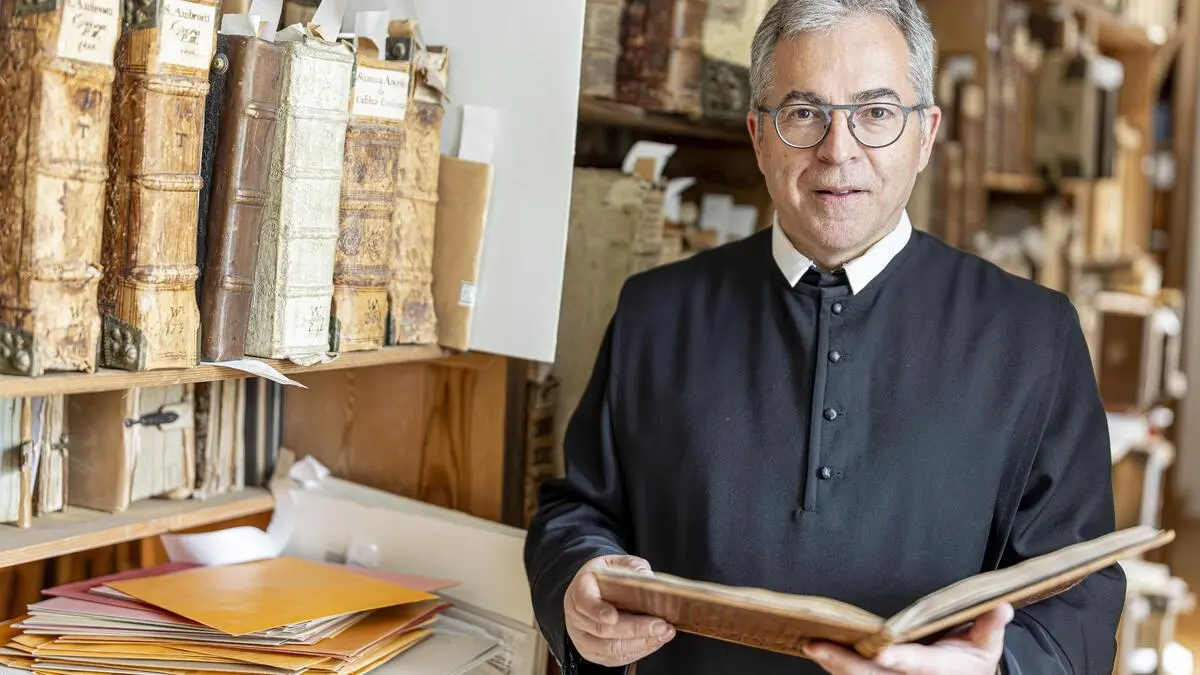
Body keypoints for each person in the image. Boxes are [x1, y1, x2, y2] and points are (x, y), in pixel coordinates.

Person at [523, 0, 1126, 673]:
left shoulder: (1034, 336)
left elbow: (1080, 592)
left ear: (925, 134)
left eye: (875, 113)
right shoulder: (655, 311)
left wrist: (992, 667)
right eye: (804, 114)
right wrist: (577, 585)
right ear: (758, 136)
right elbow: (576, 511)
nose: (839, 152)